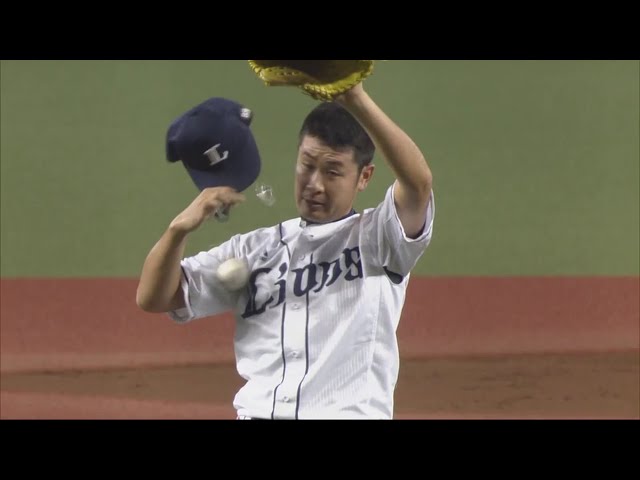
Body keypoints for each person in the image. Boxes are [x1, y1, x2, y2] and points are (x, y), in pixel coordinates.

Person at [136, 82, 435, 419]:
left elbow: (418, 183)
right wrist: (178, 231)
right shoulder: (253, 249)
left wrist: (357, 99)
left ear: (364, 177)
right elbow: (154, 297)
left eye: (332, 172)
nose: (314, 184)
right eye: (307, 164)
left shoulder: (380, 239)